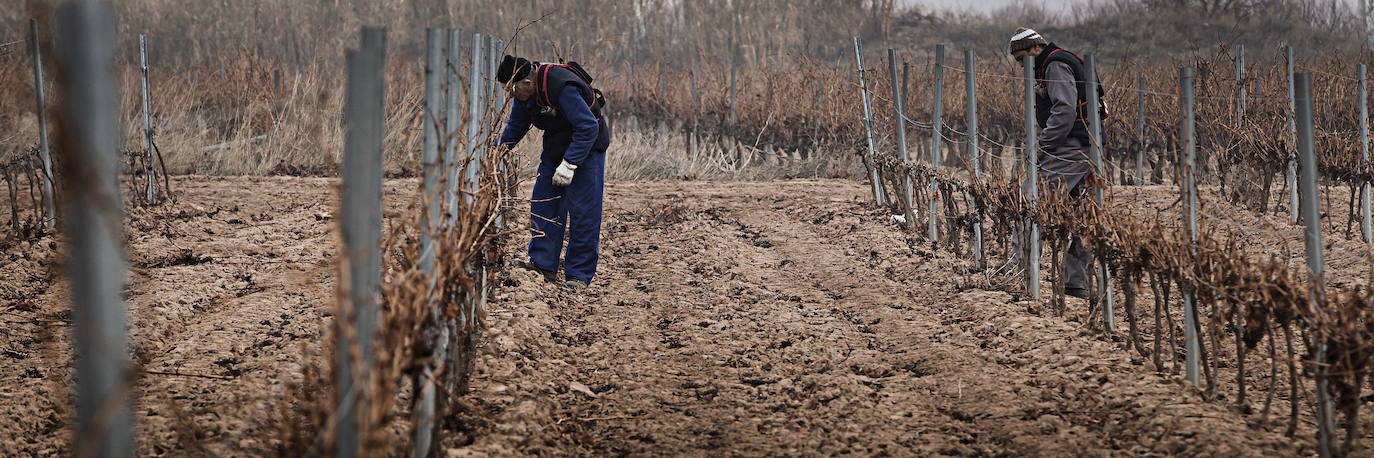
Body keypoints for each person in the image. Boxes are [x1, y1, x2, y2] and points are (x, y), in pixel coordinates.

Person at [495, 55, 612, 289]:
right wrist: (495, 152)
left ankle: (578, 275)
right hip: (556, 148)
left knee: (583, 212)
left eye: (511, 89)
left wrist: (570, 164)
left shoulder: (562, 86)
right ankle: (543, 265)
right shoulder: (526, 94)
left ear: (527, 83)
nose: (509, 95)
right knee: (543, 203)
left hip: (587, 149)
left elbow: (588, 126)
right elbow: (516, 126)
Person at [1008, 27, 1106, 300]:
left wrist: (1043, 146)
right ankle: (1077, 282)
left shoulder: (1054, 65)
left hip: (1071, 147)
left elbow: (1064, 110)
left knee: (1029, 200)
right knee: (1081, 213)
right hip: (1088, 144)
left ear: (1034, 49)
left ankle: (1020, 272)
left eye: (1021, 58)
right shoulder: (1060, 60)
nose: (1021, 65)